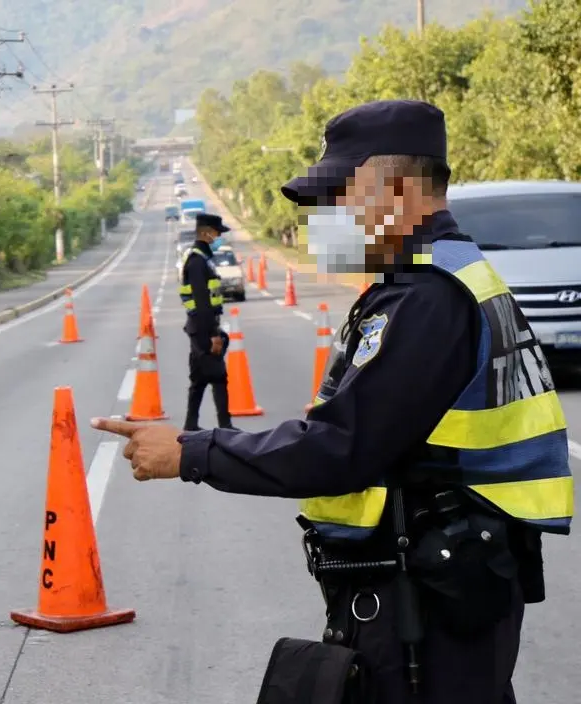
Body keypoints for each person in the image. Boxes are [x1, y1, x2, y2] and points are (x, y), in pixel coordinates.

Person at [92, 99, 572, 703]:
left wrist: (191, 451)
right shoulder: (447, 278)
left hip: (427, 596)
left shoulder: (428, 300)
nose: (326, 217)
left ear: (396, 190)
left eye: (337, 196)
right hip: (450, 577)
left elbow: (342, 447)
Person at [180, 212, 233, 431]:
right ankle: (226, 426)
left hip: (200, 327)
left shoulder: (201, 259)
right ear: (205, 233)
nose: (218, 236)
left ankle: (191, 424)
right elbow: (202, 302)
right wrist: (213, 334)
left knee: (200, 379)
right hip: (203, 329)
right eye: (216, 232)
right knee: (219, 376)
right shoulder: (196, 262)